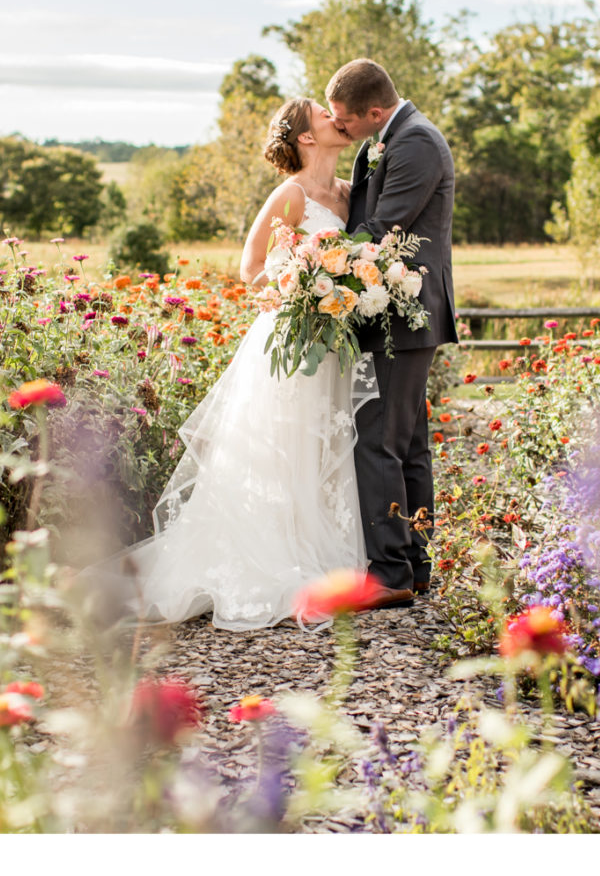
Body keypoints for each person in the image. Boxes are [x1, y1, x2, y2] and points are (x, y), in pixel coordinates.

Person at [118, 98, 373, 630]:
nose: (336, 117)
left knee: (322, 442)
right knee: (281, 446)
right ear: (306, 137)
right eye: (324, 115)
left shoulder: (349, 193)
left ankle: (318, 552)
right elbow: (250, 267)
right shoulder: (292, 193)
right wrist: (301, 291)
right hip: (289, 336)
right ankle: (273, 559)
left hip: (332, 337)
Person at [326, 59, 458, 602]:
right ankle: (416, 564)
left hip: (405, 312)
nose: (340, 129)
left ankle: (390, 574)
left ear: (374, 112)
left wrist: (313, 260)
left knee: (378, 439)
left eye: (344, 121)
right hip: (392, 314)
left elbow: (383, 230)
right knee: (405, 443)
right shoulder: (384, 139)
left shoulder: (417, 143)